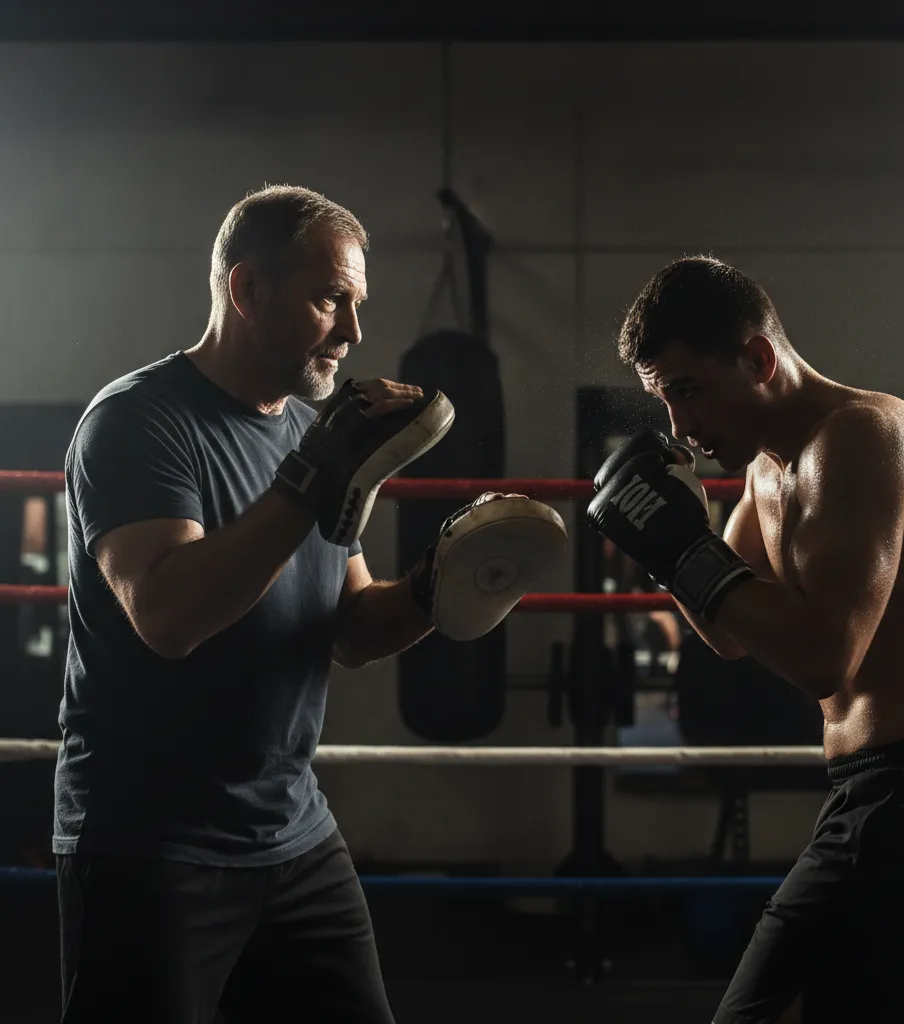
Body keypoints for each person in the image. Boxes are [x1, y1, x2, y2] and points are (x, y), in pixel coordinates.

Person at [53, 184, 564, 1023]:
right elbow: (168, 616)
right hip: (151, 848)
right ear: (248, 289)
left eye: (358, 305)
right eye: (333, 299)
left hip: (294, 837)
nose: (355, 332)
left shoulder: (304, 432)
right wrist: (315, 477)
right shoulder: (138, 424)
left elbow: (353, 628)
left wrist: (452, 580)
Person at [586, 255, 904, 1023]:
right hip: (880, 796)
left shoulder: (862, 439)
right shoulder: (764, 472)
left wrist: (686, 552)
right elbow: (729, 636)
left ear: (758, 358)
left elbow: (826, 657)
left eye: (688, 391)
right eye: (663, 401)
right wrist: (665, 552)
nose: (680, 427)